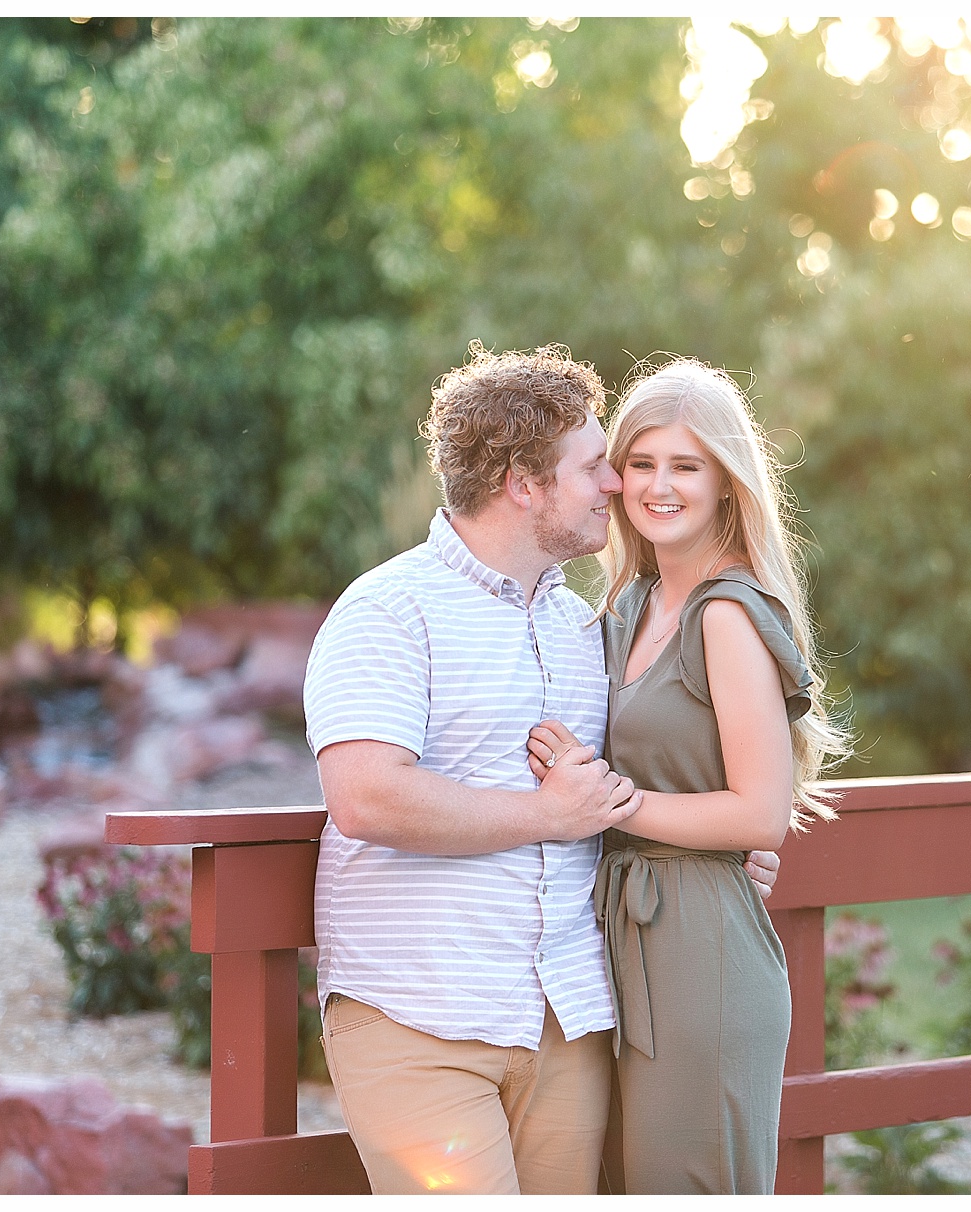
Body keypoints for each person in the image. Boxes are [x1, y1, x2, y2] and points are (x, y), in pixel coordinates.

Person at [302, 343, 778, 1196]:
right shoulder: (386, 610)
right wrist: (549, 816)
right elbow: (365, 797)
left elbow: (662, 769)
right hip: (422, 1018)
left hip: (569, 1019)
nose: (615, 486)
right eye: (597, 465)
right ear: (525, 484)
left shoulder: (583, 625)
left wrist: (721, 855)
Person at [525, 358, 849, 1194]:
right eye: (641, 464)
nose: (658, 486)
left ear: (727, 484)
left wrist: (606, 800)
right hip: (618, 942)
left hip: (700, 953)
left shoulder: (728, 614)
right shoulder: (627, 606)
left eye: (686, 466)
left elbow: (758, 817)